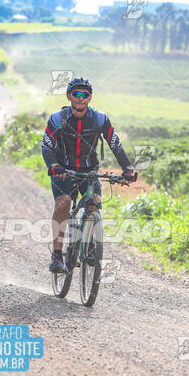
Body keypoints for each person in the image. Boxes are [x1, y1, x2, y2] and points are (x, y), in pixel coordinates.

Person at [42, 77, 136, 273]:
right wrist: (53, 166)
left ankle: (90, 243)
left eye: (85, 95)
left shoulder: (99, 119)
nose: (80, 99)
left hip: (89, 170)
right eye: (76, 94)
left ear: (90, 98)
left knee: (94, 202)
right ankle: (57, 255)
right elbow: (47, 146)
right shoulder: (57, 119)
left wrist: (127, 169)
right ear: (69, 96)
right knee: (64, 203)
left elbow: (115, 144)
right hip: (63, 170)